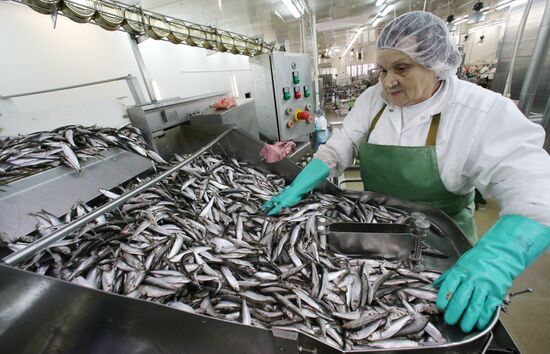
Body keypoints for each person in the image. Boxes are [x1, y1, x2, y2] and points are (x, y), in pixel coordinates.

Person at [262, 11, 550, 334]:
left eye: (401, 68)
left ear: (436, 63)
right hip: (375, 241)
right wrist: (302, 181)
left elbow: (537, 191)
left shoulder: (480, 111)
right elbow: (339, 146)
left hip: (443, 252)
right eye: (382, 70)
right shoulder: (373, 101)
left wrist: (495, 260)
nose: (387, 81)